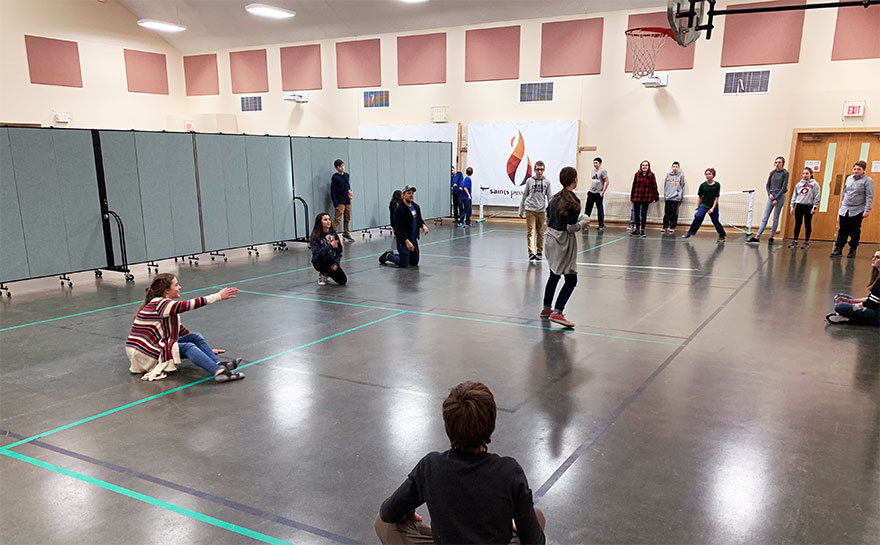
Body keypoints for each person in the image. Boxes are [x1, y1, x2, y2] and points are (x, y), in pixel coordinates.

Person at [375, 381, 546, 545]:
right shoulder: (509, 472)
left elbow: (389, 513)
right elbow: (535, 542)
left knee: (383, 523)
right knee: (536, 516)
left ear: (448, 425)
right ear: (491, 424)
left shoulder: (430, 466)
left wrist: (409, 512)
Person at [125, 274, 244, 382]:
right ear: (166, 291)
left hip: (147, 348)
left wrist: (203, 350)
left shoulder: (161, 304)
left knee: (194, 337)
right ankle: (219, 372)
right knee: (188, 347)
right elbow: (189, 304)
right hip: (144, 354)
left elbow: (180, 331)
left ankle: (217, 363)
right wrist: (217, 296)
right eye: (176, 285)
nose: (180, 287)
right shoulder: (162, 304)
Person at [542, 166, 588, 328]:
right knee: (571, 279)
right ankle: (558, 312)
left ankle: (546, 309)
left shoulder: (554, 198)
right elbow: (570, 228)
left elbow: (548, 219)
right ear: (574, 180)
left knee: (554, 275)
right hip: (562, 242)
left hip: (549, 239)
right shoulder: (573, 202)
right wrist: (582, 223)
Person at [830, 160, 874, 258]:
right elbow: (845, 191)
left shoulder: (868, 181)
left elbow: (869, 196)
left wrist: (867, 210)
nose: (856, 171)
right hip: (845, 208)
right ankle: (839, 248)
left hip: (858, 209)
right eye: (854, 169)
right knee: (843, 229)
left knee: (854, 230)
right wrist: (842, 203)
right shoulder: (849, 178)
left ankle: (852, 248)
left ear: (863, 170)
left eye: (859, 169)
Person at [826, 249, 880, 325]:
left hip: (877, 314)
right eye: (873, 256)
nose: (873, 259)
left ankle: (850, 317)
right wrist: (849, 301)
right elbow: (870, 299)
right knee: (839, 297)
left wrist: (856, 306)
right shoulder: (877, 277)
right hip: (873, 306)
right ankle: (849, 315)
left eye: (877, 257)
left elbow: (871, 304)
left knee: (840, 306)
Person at [380, 185, 429, 268]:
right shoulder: (399, 210)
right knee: (404, 264)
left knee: (414, 262)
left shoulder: (416, 207)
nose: (411, 195)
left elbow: (419, 219)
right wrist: (407, 242)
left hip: (413, 239)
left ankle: (403, 256)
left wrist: (423, 225)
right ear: (403, 195)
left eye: (412, 193)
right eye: (409, 193)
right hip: (403, 241)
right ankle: (388, 255)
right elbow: (399, 229)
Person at [747, 156, 789, 245]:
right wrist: (769, 194)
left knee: (775, 217)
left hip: (779, 197)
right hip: (771, 196)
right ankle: (757, 236)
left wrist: (776, 198)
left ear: (782, 164)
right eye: (776, 162)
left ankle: (771, 236)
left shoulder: (785, 173)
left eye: (779, 162)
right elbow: (768, 185)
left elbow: (784, 187)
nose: (777, 164)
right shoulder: (772, 173)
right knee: (765, 217)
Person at [682, 167, 727, 242]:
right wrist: (697, 208)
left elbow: (716, 197)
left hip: (713, 206)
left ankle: (722, 235)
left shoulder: (717, 185)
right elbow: (700, 197)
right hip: (704, 205)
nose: (707, 176)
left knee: (715, 221)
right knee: (698, 216)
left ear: (713, 175)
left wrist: (712, 208)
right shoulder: (702, 185)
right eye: (706, 174)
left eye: (709, 174)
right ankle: (690, 232)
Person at [518, 160, 551, 262]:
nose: (539, 172)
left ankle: (539, 252)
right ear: (534, 170)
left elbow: (550, 197)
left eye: (541, 169)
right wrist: (521, 209)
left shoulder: (547, 182)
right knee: (531, 232)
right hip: (530, 209)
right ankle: (531, 253)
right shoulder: (529, 181)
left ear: (544, 170)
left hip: (541, 210)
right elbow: (524, 195)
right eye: (537, 169)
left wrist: (551, 211)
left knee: (540, 232)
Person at [310, 212, 347, 286]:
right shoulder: (315, 236)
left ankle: (328, 272)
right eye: (325, 220)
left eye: (329, 219)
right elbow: (316, 254)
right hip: (319, 261)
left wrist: (336, 263)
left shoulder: (333, 234)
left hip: (331, 261)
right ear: (320, 222)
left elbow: (339, 251)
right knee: (326, 257)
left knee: (343, 280)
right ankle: (323, 274)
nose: (328, 221)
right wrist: (330, 246)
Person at [787, 168, 821, 249]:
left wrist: (814, 207)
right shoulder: (799, 184)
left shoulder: (815, 184)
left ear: (811, 174)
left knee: (807, 223)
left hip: (808, 206)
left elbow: (817, 196)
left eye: (807, 173)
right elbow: (794, 195)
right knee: (798, 223)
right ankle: (795, 240)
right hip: (799, 205)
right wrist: (792, 206)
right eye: (803, 174)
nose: (805, 175)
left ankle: (806, 241)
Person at [629, 160, 659, 238]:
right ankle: (637, 229)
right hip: (637, 197)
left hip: (646, 197)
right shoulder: (637, 175)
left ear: (648, 167)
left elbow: (654, 186)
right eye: (643, 165)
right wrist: (632, 197)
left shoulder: (651, 175)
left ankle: (642, 230)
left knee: (643, 214)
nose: (644, 166)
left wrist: (656, 197)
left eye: (646, 165)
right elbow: (634, 186)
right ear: (641, 166)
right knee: (636, 214)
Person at [330, 159, 354, 241]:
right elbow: (333, 190)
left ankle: (346, 233)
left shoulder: (347, 175)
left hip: (347, 200)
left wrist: (350, 191)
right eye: (340, 166)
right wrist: (335, 203)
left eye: (343, 165)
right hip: (340, 200)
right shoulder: (335, 177)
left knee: (347, 217)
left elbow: (347, 186)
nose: (342, 168)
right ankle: (334, 235)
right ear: (336, 168)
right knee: (337, 218)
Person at [585, 157, 609, 231]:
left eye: (596, 163)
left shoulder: (603, 171)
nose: (595, 164)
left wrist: (602, 191)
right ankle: (585, 224)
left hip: (598, 193)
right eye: (594, 163)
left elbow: (607, 181)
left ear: (600, 163)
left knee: (599, 209)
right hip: (591, 192)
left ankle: (601, 224)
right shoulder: (593, 171)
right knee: (588, 209)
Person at [662, 161, 685, 233]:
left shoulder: (681, 176)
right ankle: (665, 226)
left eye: (676, 166)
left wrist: (680, 196)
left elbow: (682, 186)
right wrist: (665, 195)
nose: (675, 168)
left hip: (676, 198)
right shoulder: (668, 175)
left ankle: (672, 226)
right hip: (668, 197)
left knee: (674, 213)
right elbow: (665, 186)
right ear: (672, 167)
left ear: (678, 168)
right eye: (673, 166)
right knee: (667, 213)